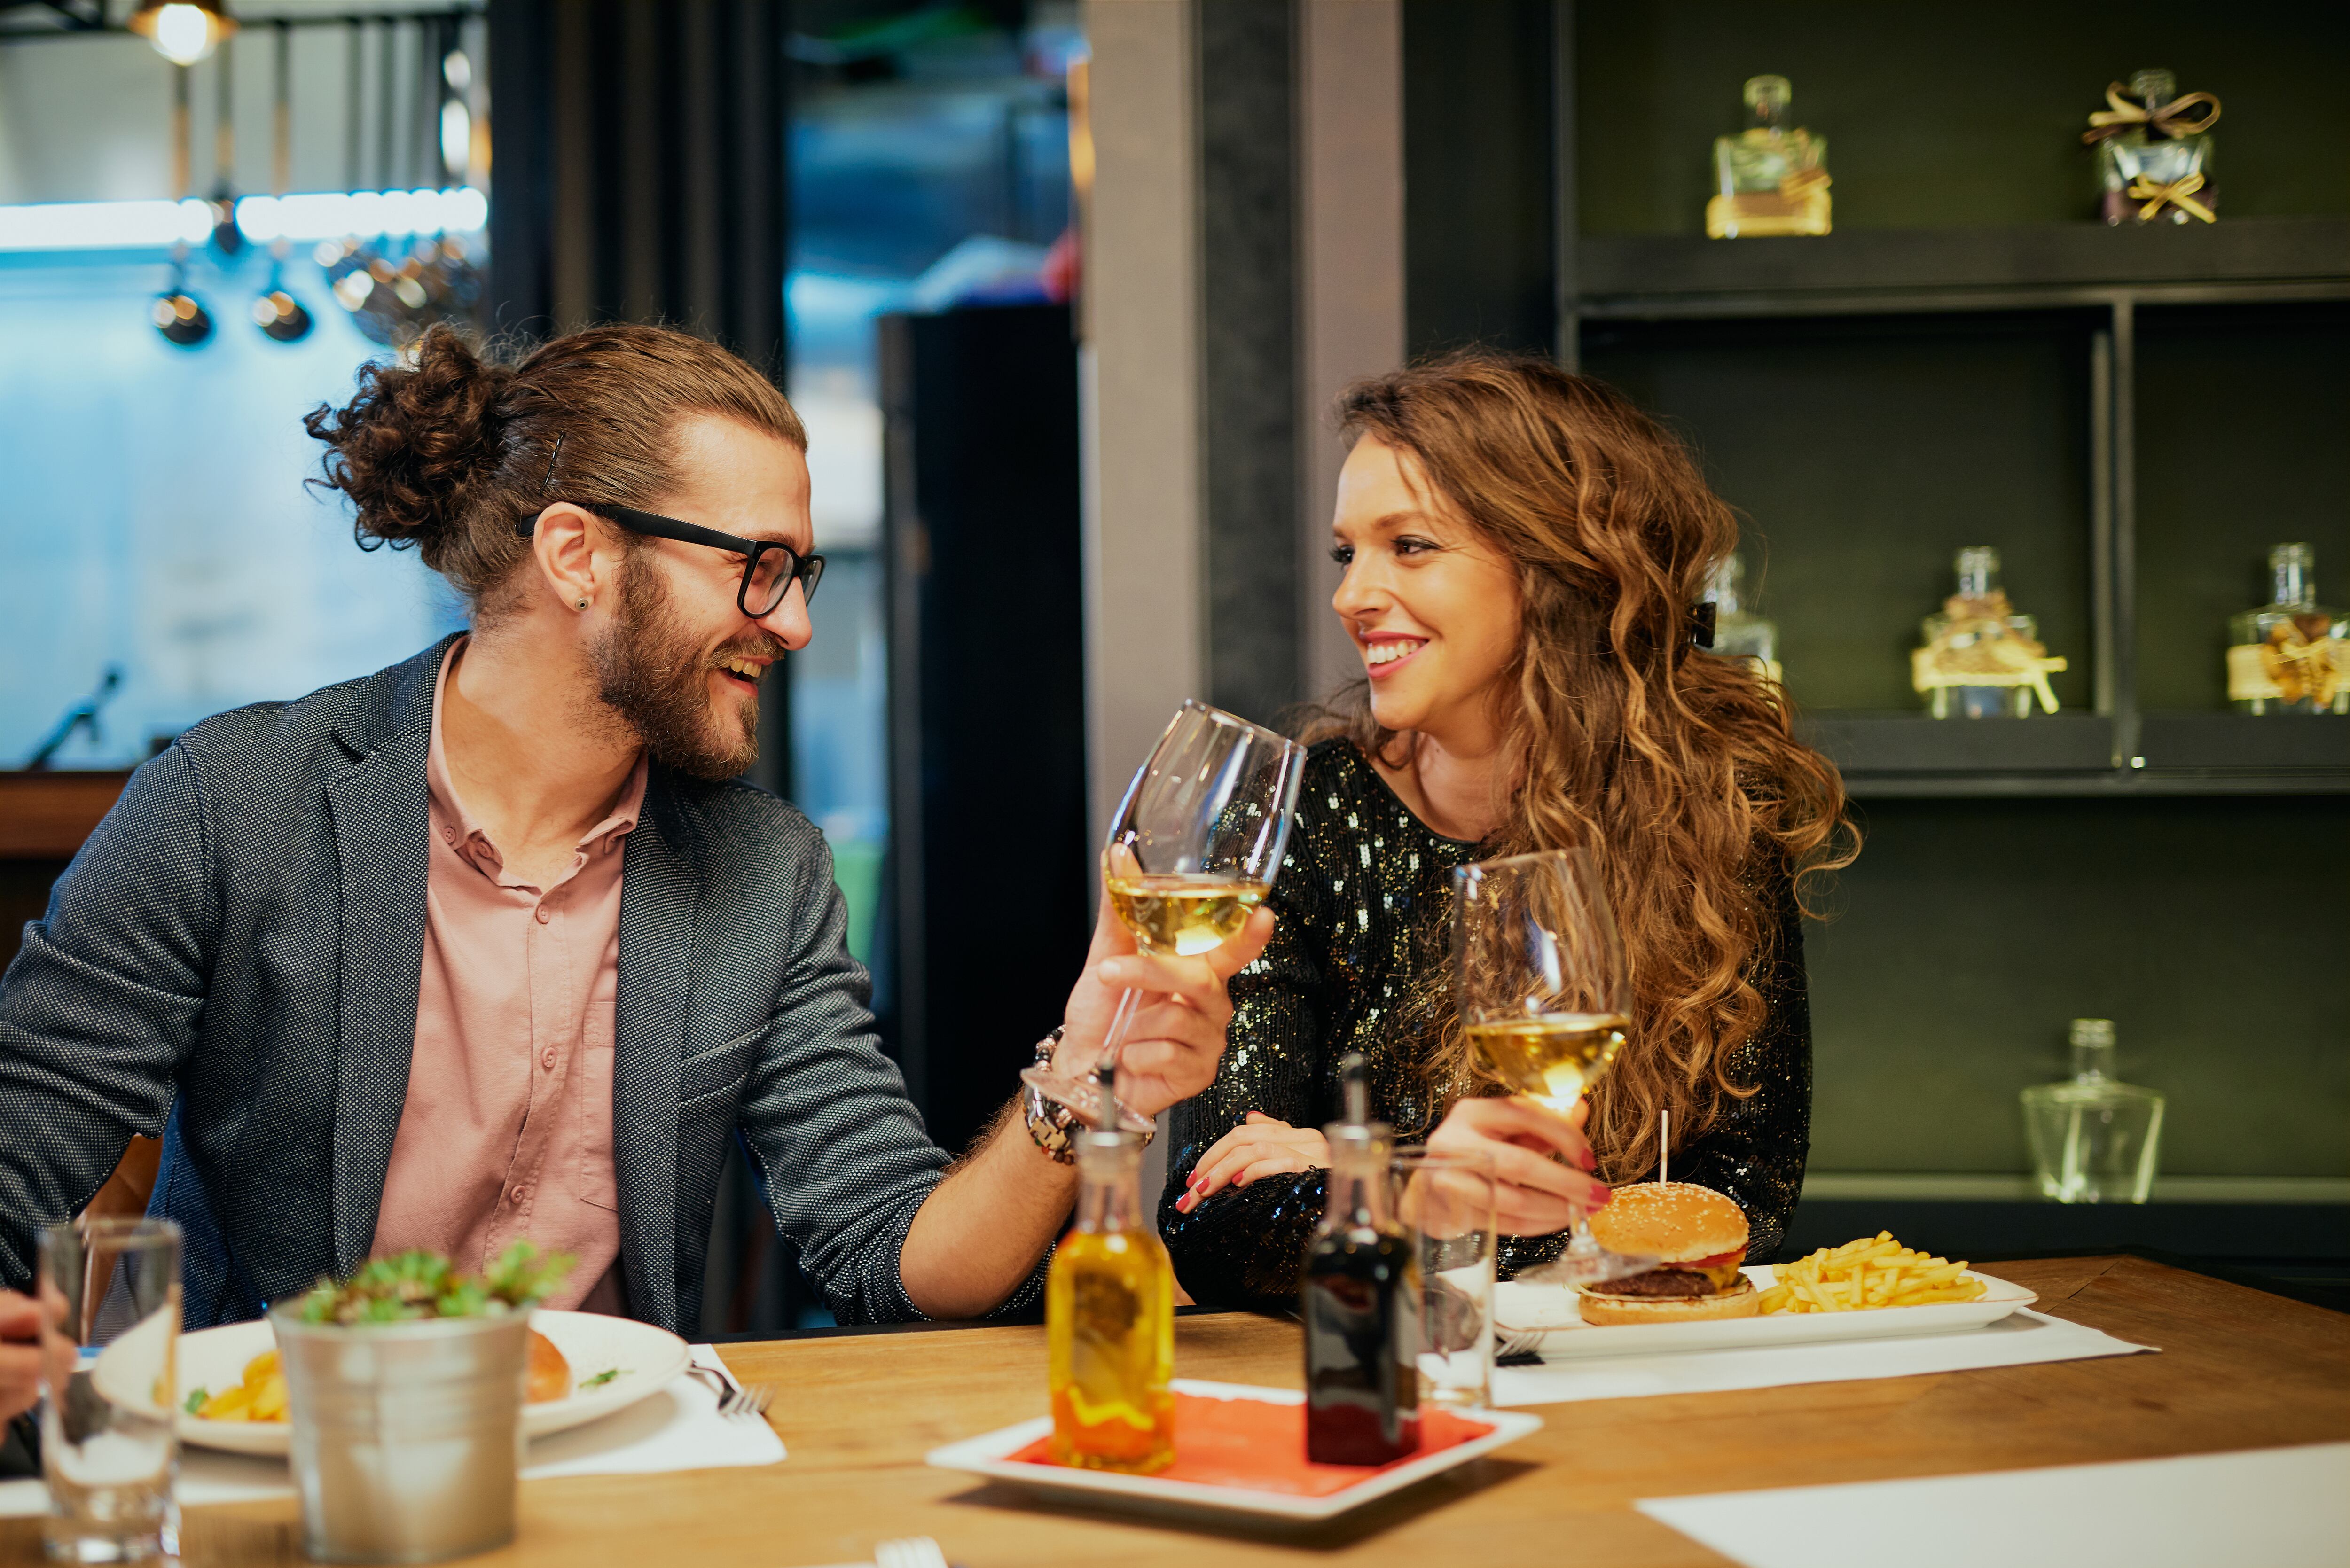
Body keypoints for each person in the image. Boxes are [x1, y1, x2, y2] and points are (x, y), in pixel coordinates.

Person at [0, 322, 1268, 1332]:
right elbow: (20, 1154)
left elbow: (899, 1260)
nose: (794, 624)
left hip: (626, 1486)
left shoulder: (764, 869)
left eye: (801, 574)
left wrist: (1089, 1066)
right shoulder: (233, 806)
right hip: (288, 1481)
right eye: (757, 566)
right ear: (577, 554)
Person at [1159, 352, 1854, 1306]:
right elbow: (1215, 1221)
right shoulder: (1300, 814)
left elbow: (1736, 1206)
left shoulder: (1714, 811)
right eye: (1346, 551)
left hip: (1627, 1389)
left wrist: (1359, 1170)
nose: (1350, 594)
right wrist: (1439, 1190)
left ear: (1554, 567)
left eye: (1408, 546)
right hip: (1365, 1388)